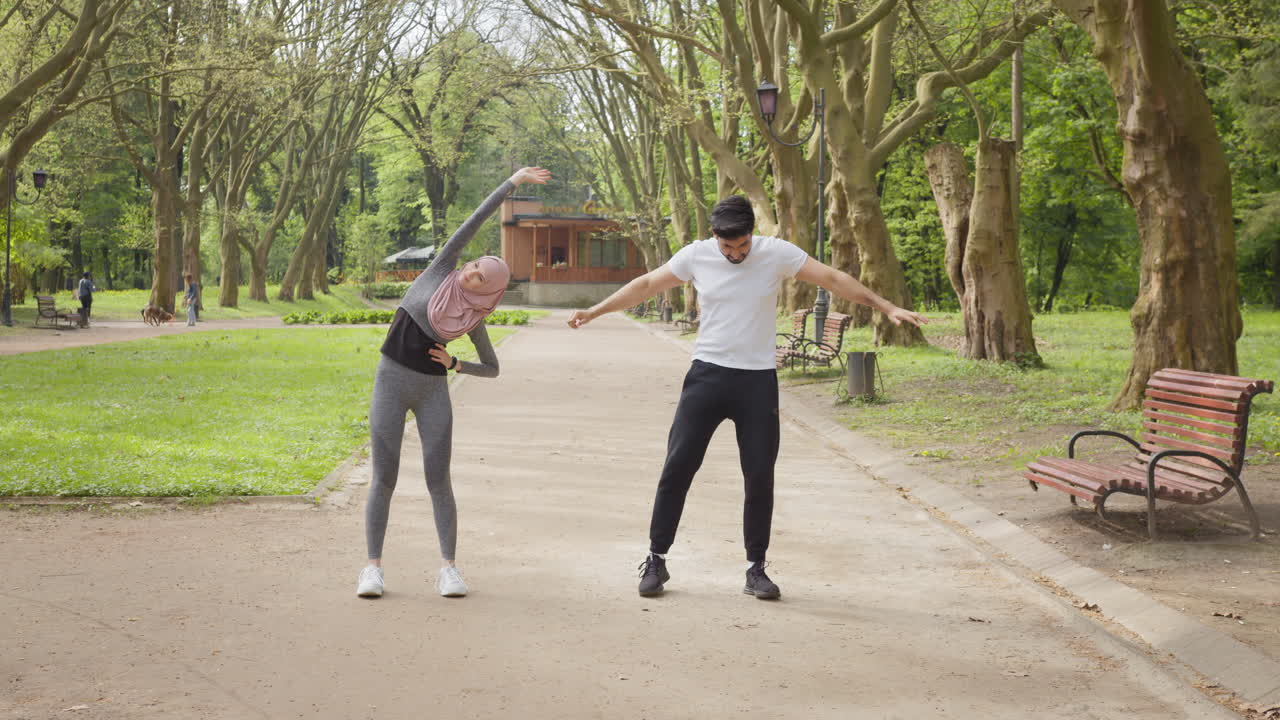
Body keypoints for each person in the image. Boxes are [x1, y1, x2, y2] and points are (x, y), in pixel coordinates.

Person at [568, 195, 927, 600]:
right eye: (728, 247)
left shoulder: (776, 253)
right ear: (715, 237)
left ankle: (756, 569)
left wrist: (885, 305)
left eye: (742, 246)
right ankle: (656, 559)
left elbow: (832, 278)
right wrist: (595, 311)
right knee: (678, 468)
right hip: (706, 376)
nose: (736, 254)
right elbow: (647, 284)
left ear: (752, 234)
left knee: (759, 475)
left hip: (757, 382)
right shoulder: (697, 255)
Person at [357, 166, 551, 600]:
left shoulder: (474, 318)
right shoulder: (439, 271)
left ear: (489, 292)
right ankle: (372, 569)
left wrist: (456, 363)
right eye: (473, 267)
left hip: (432, 392)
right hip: (390, 384)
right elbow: (477, 219)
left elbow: (493, 367)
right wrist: (514, 181)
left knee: (438, 479)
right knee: (384, 476)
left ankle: (449, 569)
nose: (469, 274)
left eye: (480, 278)